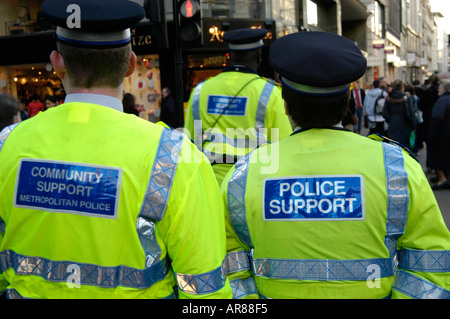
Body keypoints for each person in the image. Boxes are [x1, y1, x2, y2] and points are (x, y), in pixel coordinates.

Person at [0, 0, 231, 299]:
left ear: (57, 63)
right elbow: (204, 291)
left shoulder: (7, 145)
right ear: (130, 64)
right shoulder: (175, 158)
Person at [221, 31, 450, 299]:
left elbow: (228, 269)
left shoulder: (244, 175)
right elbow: (431, 265)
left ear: (285, 105)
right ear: (347, 103)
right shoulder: (397, 168)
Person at [184, 28, 292, 185]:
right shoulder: (271, 93)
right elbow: (285, 148)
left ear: (230, 56)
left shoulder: (200, 91)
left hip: (209, 184)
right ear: (259, 55)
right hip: (252, 185)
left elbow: (189, 144)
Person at [427, 79, 450, 190]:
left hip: (442, 134)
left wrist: (432, 134)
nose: (438, 90)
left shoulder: (442, 101)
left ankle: (442, 179)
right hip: (446, 133)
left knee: (437, 157)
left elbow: (437, 118)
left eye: (440, 88)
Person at [381, 80, 416, 150]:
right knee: (404, 148)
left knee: (393, 147)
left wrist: (390, 120)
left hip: (393, 125)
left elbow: (384, 112)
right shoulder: (406, 97)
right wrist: (413, 125)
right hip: (405, 125)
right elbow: (411, 113)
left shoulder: (389, 97)